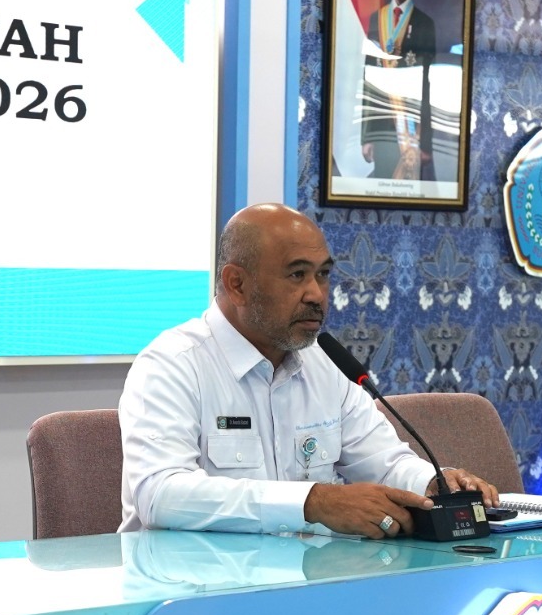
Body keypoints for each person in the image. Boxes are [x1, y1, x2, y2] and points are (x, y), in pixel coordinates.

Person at [119, 203, 498, 538]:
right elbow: (160, 494)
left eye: (323, 275)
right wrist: (312, 502)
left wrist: (433, 483)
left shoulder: (326, 364)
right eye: (297, 275)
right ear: (237, 284)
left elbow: (385, 464)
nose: (316, 294)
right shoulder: (172, 364)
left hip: (305, 575)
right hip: (191, 583)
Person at [361, 0, 437, 180]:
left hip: (413, 130)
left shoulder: (425, 24)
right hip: (382, 128)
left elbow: (428, 87)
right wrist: (367, 136)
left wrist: (426, 143)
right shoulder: (376, 20)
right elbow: (369, 79)